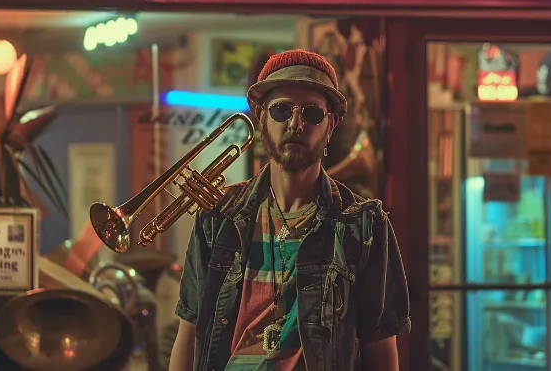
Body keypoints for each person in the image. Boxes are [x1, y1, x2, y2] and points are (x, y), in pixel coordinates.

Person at [169, 49, 410, 371]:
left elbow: (381, 350)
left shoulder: (363, 225)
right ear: (261, 117)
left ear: (332, 123)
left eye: (311, 113)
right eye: (282, 110)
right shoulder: (218, 217)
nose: (296, 123)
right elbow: (189, 335)